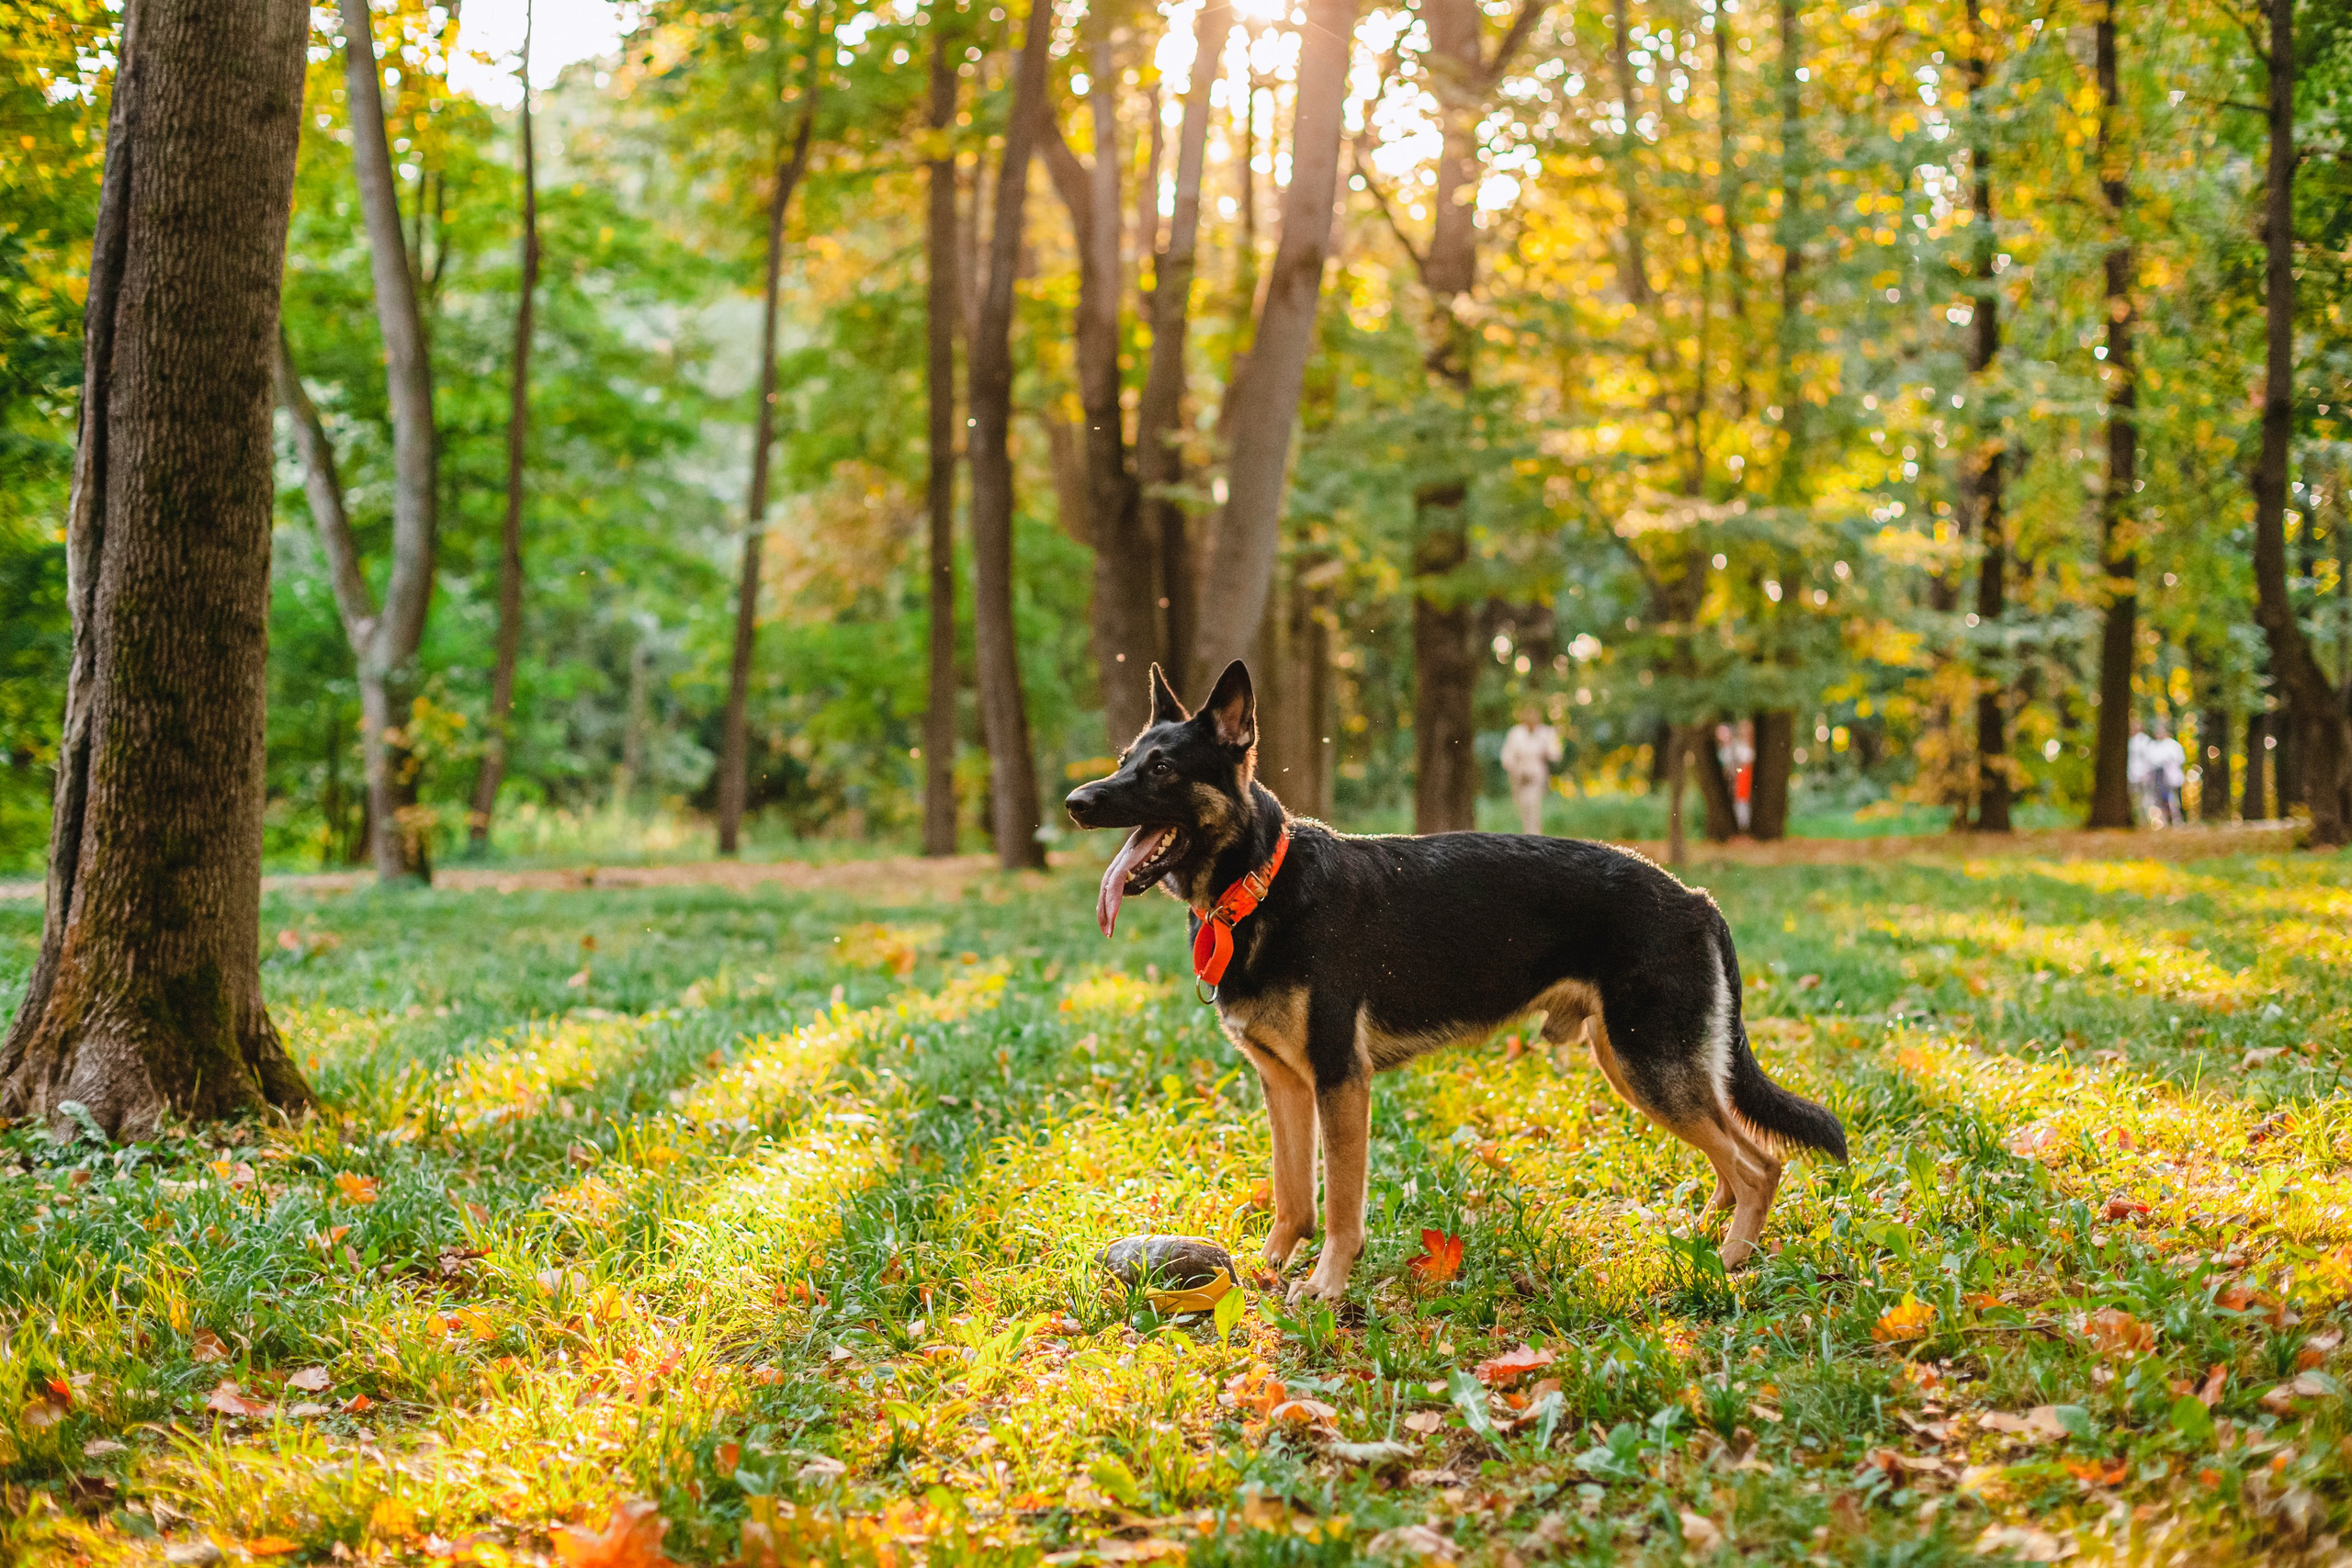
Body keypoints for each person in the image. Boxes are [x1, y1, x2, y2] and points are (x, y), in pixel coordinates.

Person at [1500, 708, 1564, 835]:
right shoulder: (1516, 733)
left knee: (1534, 806)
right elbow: (1507, 757)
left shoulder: (1546, 732)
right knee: (1523, 808)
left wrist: (1546, 749)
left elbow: (1556, 754)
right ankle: (1527, 835)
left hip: (1537, 774)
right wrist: (1515, 769)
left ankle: (1536, 835)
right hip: (1519, 776)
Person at [2147, 718, 2186, 828]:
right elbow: (2151, 761)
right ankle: (2165, 820)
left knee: (2173, 798)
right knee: (2161, 799)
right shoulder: (2154, 746)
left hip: (2171, 777)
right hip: (2159, 776)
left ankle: (2176, 819)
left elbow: (2180, 760)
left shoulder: (2173, 745)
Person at [2126, 716, 2154, 825]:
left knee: (2145, 799)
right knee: (2133, 799)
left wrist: (2147, 772)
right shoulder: (2129, 741)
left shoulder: (2144, 740)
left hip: (2142, 774)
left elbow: (2149, 758)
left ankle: (2145, 821)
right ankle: (2136, 820)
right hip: (2131, 774)